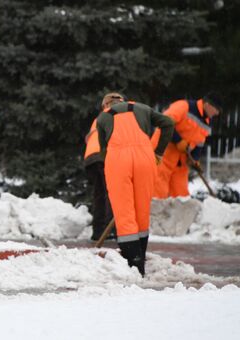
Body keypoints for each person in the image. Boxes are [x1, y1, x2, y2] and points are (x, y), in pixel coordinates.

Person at [96, 93, 173, 276]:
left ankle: (134, 265)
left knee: (124, 212)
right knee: (141, 210)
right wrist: (159, 152)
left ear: (106, 105)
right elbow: (168, 123)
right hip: (145, 159)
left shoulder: (103, 117)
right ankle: (141, 260)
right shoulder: (143, 108)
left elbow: (103, 151)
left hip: (118, 160)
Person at [152, 93, 223, 198]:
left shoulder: (207, 122)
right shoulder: (184, 106)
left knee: (181, 196)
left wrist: (194, 159)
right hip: (162, 154)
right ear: (207, 105)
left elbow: (200, 142)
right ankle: (154, 213)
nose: (217, 113)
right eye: (216, 109)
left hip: (181, 162)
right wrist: (178, 141)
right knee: (158, 191)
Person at [84, 99, 115, 241]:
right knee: (112, 193)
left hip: (90, 158)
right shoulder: (116, 116)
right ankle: (109, 232)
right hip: (105, 155)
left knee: (99, 194)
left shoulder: (98, 118)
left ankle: (98, 232)